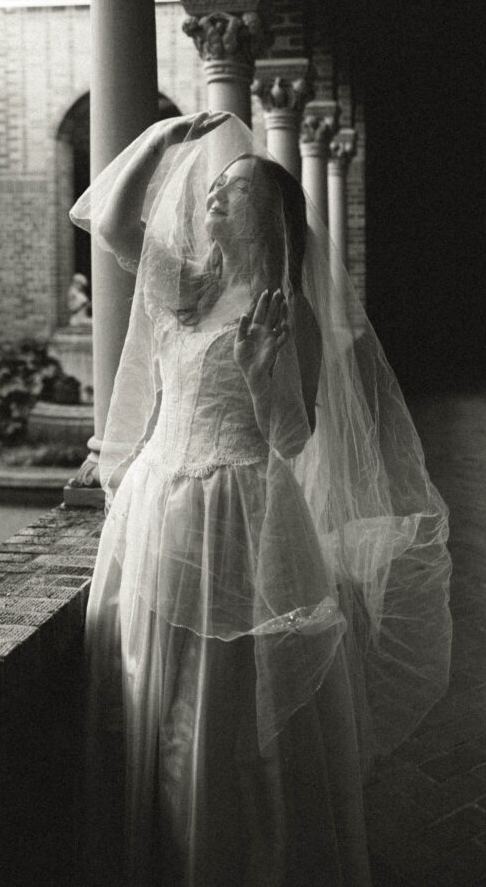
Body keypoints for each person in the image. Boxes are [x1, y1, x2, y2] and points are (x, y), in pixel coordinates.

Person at [70, 112, 452, 887]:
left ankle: (239, 859)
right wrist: (166, 137)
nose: (214, 193)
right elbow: (107, 217)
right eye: (214, 184)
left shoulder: (292, 315)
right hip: (156, 511)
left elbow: (290, 439)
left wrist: (257, 370)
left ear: (270, 215)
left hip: (243, 516)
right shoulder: (183, 286)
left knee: (231, 710)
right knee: (156, 687)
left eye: (234, 190)